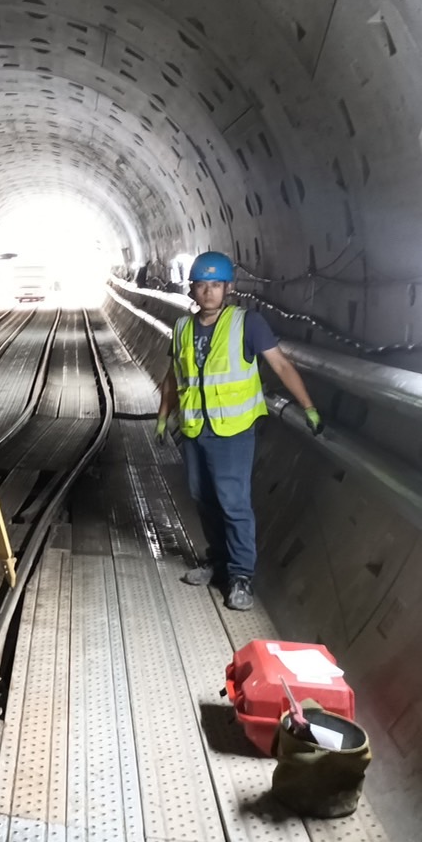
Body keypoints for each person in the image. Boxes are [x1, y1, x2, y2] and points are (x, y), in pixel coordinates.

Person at [155, 250, 322, 611]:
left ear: (228, 288)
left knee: (233, 504)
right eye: (202, 285)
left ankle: (241, 575)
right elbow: (173, 376)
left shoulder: (248, 323)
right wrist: (162, 415)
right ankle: (216, 563)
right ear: (192, 290)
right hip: (196, 430)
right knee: (204, 498)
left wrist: (307, 405)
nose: (209, 292)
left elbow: (280, 364)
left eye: (216, 285)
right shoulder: (183, 327)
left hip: (233, 432)